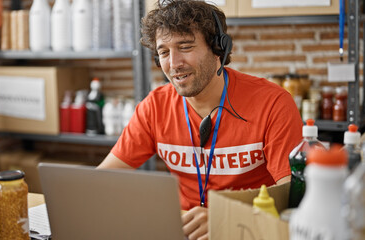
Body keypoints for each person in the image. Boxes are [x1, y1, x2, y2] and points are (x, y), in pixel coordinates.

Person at [98, 0, 303, 239]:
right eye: (164, 52)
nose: (173, 64)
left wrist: (226, 218)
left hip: (248, 230)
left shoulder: (273, 103)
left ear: (218, 49)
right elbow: (101, 180)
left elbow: (293, 198)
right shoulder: (154, 106)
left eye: (185, 47)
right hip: (184, 231)